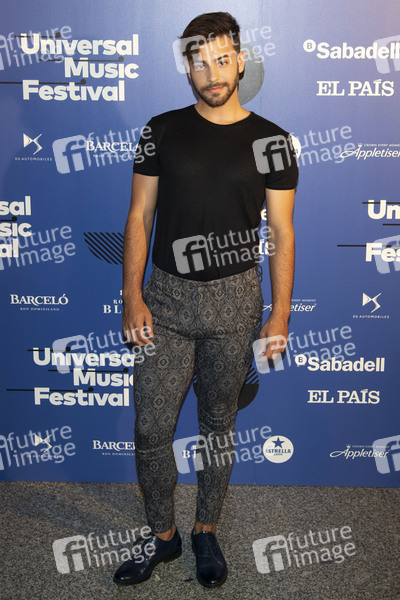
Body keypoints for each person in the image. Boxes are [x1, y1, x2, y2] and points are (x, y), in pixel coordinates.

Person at [113, 11, 298, 588]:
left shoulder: (272, 140)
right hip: (164, 300)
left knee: (218, 426)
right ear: (187, 68)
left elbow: (282, 232)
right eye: (199, 63)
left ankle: (206, 530)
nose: (212, 74)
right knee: (151, 428)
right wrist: (131, 295)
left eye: (221, 60)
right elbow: (139, 215)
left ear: (240, 60)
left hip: (235, 300)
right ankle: (163, 536)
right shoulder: (160, 130)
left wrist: (280, 313)